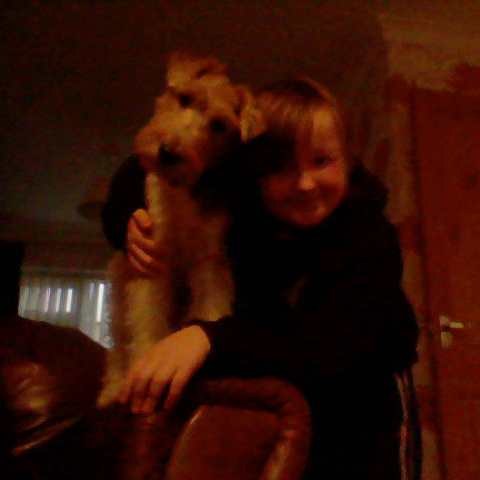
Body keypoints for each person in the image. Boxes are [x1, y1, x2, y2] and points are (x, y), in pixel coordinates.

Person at [101, 78, 420, 479]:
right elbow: (143, 165)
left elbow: (330, 349)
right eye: (281, 167)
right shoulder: (244, 210)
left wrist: (210, 338)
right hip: (279, 395)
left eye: (323, 161)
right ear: (251, 171)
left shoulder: (368, 236)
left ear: (349, 160)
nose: (304, 183)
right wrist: (126, 219)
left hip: (363, 399)